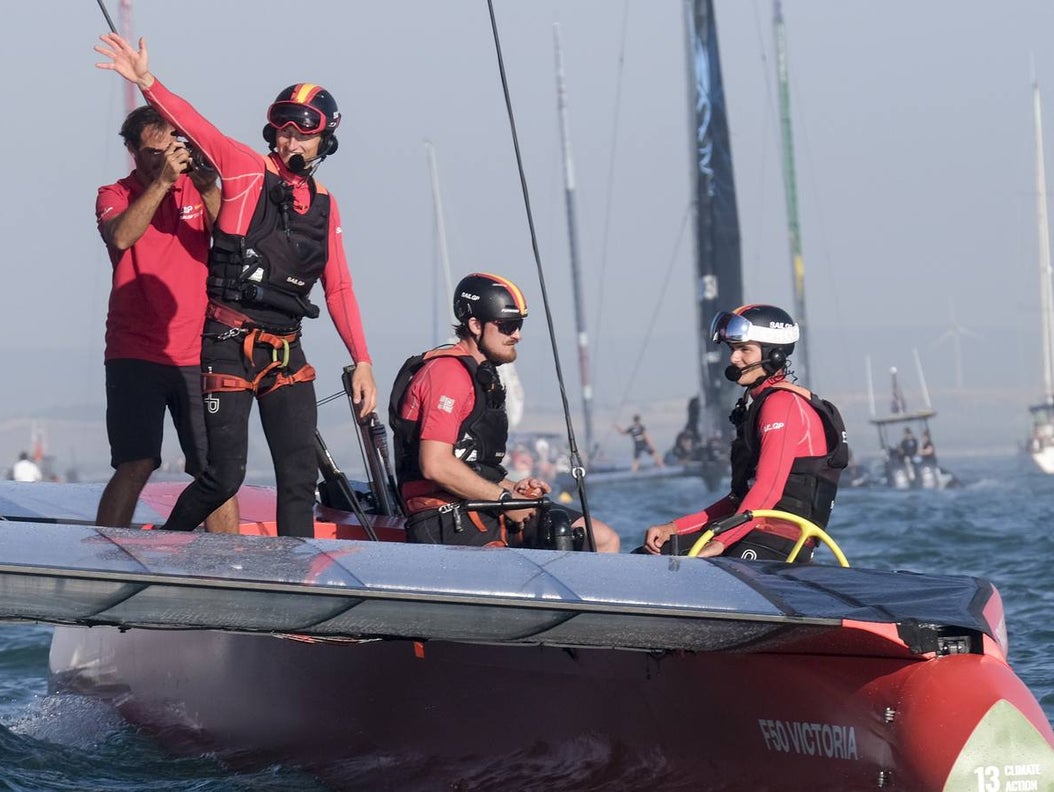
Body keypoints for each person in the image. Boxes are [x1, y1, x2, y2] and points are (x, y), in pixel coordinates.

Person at [97, 34, 376, 537]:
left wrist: (363, 360)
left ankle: (296, 593)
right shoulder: (245, 169)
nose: (291, 143)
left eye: (303, 135)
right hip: (227, 343)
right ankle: (163, 549)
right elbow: (195, 124)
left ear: (324, 142)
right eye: (283, 132)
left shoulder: (325, 202)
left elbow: (338, 288)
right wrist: (145, 81)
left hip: (285, 348)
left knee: (298, 476)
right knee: (221, 475)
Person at [390, 273, 619, 552]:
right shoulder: (448, 374)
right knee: (507, 565)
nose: (517, 335)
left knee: (601, 538)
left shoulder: (483, 376)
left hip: (480, 503)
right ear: (475, 324)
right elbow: (435, 464)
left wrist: (515, 490)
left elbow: (474, 465)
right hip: (443, 515)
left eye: (519, 325)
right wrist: (504, 500)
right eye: (507, 326)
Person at [94, 105, 238, 532]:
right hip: (133, 350)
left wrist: (208, 180)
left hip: (198, 352)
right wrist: (162, 182)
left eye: (170, 149)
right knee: (135, 462)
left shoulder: (196, 187)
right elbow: (121, 235)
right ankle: (103, 556)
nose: (165, 158)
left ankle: (229, 568)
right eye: (152, 152)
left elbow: (232, 235)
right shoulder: (114, 194)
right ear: (133, 153)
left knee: (215, 471)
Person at [643, 304, 848, 561]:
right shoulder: (763, 403)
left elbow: (769, 488)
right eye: (732, 349)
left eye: (744, 350)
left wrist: (720, 542)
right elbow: (737, 501)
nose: (733, 358)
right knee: (651, 554)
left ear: (773, 355)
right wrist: (674, 528)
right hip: (752, 528)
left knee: (663, 563)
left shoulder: (781, 404)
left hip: (776, 542)